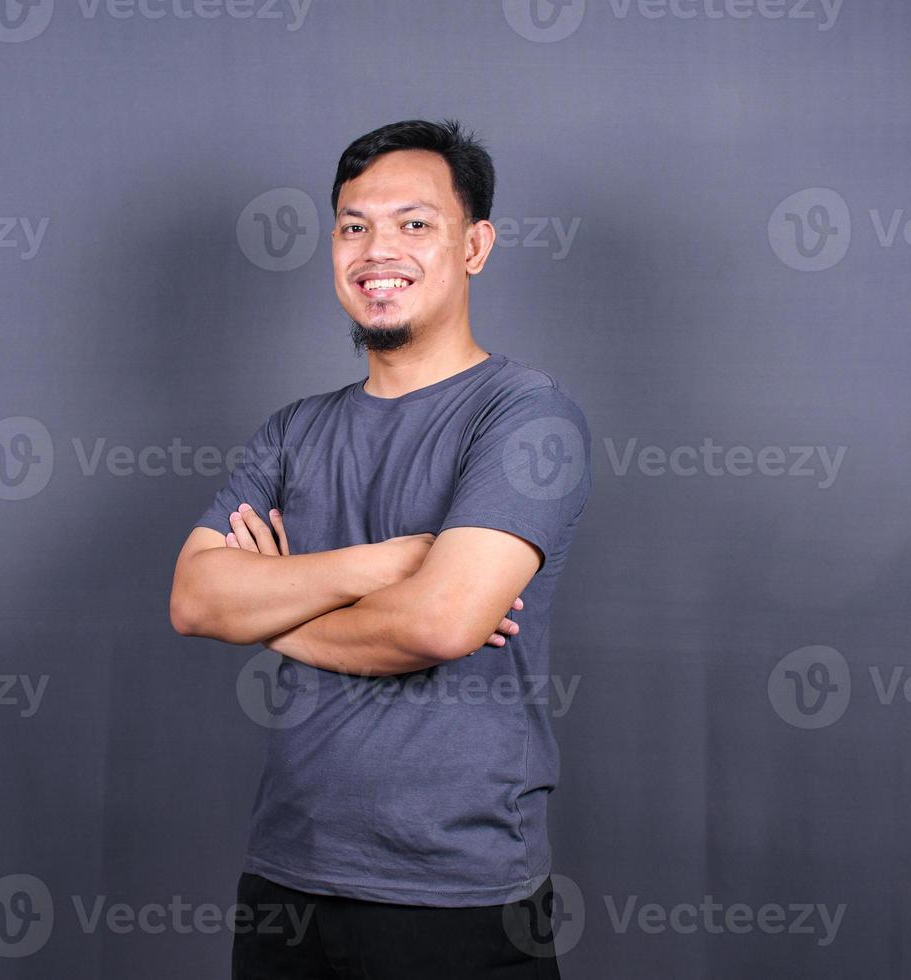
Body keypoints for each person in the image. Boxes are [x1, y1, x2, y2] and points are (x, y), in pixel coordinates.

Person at [170, 118, 591, 979]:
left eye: (413, 223)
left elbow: (440, 623)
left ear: (474, 245)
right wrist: (375, 567)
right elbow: (194, 600)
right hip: (286, 881)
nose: (376, 250)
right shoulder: (294, 430)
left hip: (457, 895)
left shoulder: (526, 417)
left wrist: (274, 604)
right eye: (353, 226)